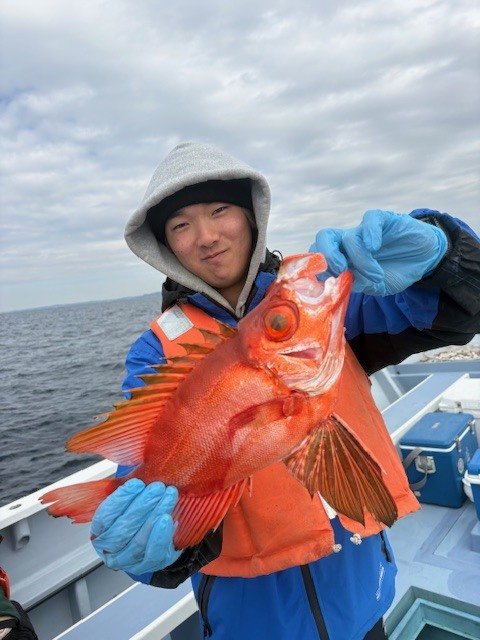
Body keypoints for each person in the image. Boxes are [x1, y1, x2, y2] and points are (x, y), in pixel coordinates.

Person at [90, 141, 480, 640]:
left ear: (251, 216)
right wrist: (156, 552)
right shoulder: (155, 349)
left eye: (220, 210)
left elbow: (452, 314)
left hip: (360, 601)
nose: (207, 237)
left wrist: (443, 257)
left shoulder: (315, 298)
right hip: (251, 623)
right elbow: (147, 462)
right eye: (181, 225)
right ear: (165, 246)